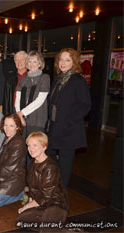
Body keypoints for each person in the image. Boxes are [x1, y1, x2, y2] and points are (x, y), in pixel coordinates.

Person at [47, 48, 91, 187]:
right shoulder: (58, 79)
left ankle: (61, 191)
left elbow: (85, 105)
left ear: (74, 62)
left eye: (67, 60)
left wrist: (69, 121)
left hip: (69, 128)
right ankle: (54, 183)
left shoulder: (78, 81)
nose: (63, 63)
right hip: (54, 125)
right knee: (50, 154)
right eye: (61, 59)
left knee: (65, 161)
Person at [17, 132, 69, 232]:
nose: (31, 149)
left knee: (45, 230)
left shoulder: (50, 167)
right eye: (29, 145)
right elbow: (32, 187)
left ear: (44, 147)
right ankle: (53, 225)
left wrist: (26, 207)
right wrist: (30, 202)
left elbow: (46, 196)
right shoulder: (33, 162)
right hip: (41, 204)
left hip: (55, 204)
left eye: (35, 145)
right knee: (22, 220)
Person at [15, 51, 50, 165]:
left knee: (36, 151)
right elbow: (18, 97)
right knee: (22, 151)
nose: (31, 64)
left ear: (40, 63)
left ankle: (36, 178)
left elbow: (40, 100)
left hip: (37, 120)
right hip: (23, 120)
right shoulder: (24, 79)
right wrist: (19, 116)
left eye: (35, 61)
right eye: (29, 61)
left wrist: (21, 113)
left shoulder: (44, 78)